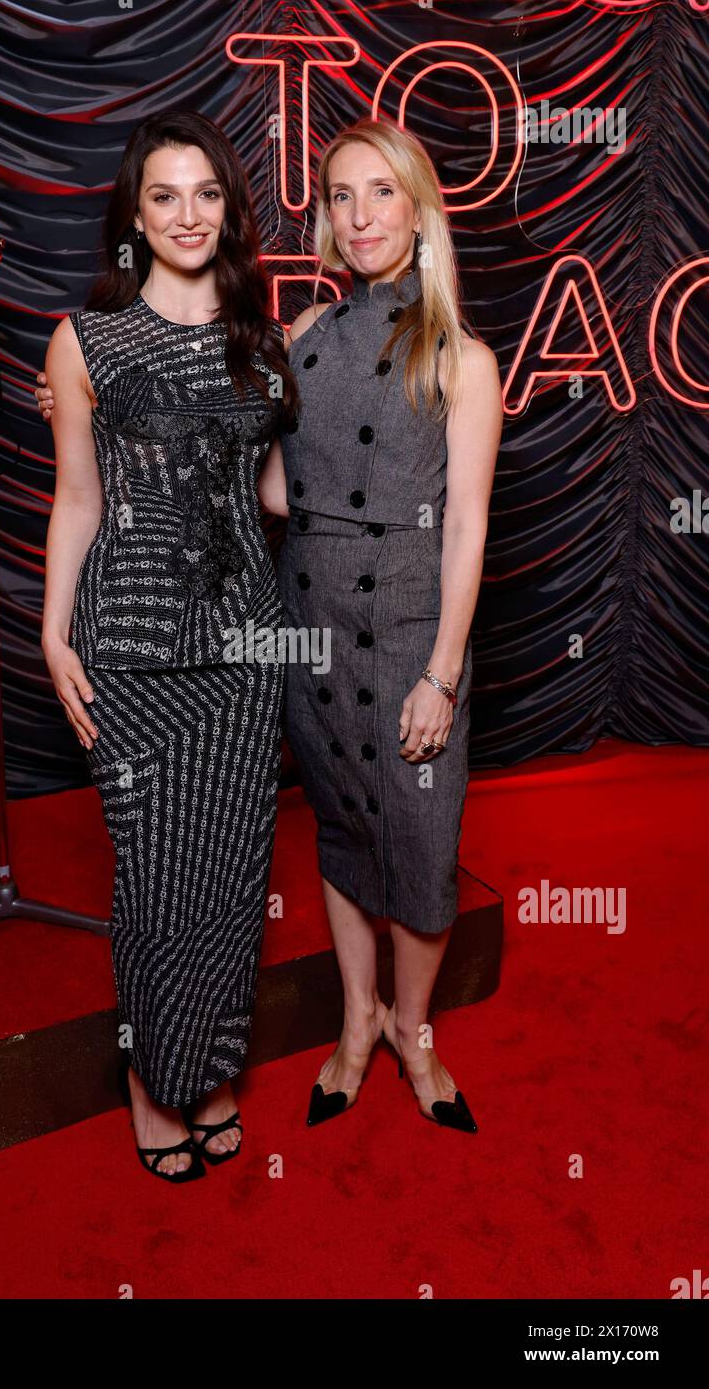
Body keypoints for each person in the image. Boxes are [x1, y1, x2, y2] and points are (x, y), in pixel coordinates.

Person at [39, 109, 295, 1181]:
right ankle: (153, 1080)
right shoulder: (85, 341)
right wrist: (53, 634)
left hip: (245, 649)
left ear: (229, 209)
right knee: (152, 880)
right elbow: (77, 499)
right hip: (131, 653)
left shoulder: (262, 338)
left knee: (233, 873)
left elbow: (277, 494)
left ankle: (216, 1065)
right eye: (164, 196)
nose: (189, 215)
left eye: (206, 194)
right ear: (134, 218)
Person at [274, 117, 501, 1132]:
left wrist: (442, 671)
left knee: (419, 842)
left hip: (411, 627)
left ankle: (416, 1031)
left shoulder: (460, 354)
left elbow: (466, 522)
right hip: (313, 619)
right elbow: (282, 493)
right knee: (341, 831)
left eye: (379, 192)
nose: (359, 215)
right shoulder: (304, 342)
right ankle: (356, 1021)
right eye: (340, 195)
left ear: (418, 207)